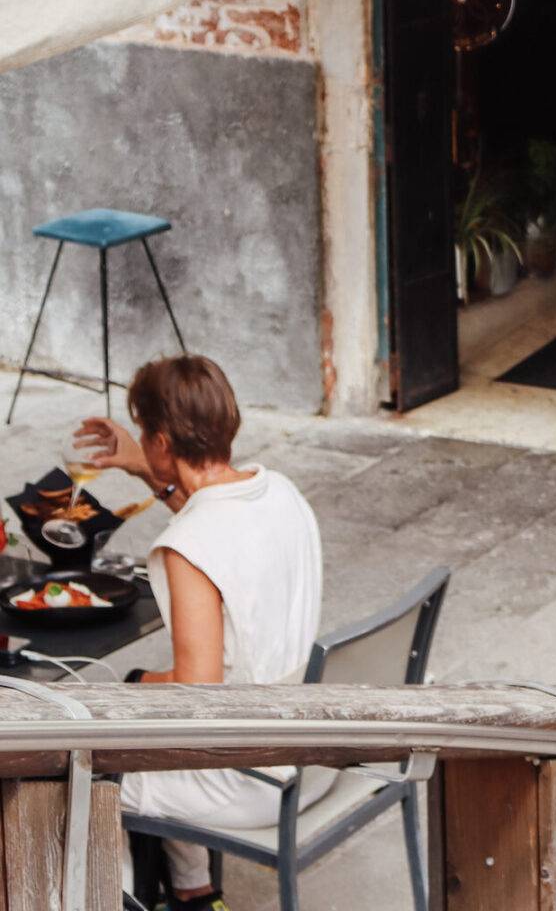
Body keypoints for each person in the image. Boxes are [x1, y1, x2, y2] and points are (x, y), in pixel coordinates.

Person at [79, 354, 327, 911]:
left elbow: (196, 693)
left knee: (80, 765)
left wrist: (136, 685)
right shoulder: (280, 492)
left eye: (145, 435)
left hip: (247, 780)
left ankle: (109, 901)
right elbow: (218, 519)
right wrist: (146, 469)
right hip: (308, 745)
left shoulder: (188, 548)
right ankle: (195, 895)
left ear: (163, 440)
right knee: (140, 707)